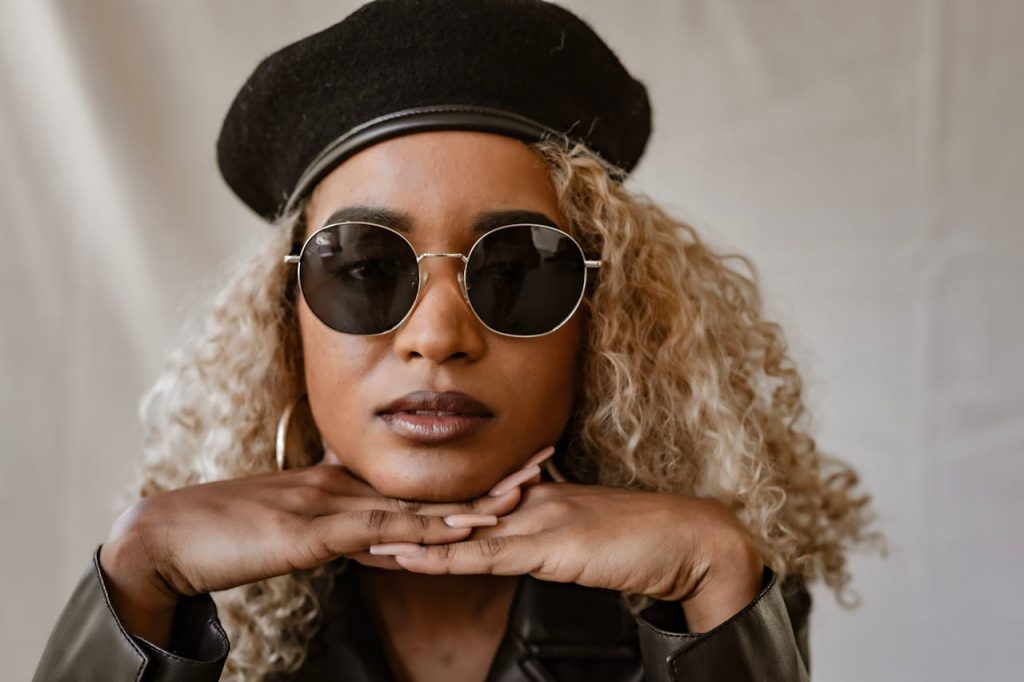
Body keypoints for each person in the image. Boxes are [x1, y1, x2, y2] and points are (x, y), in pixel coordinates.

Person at [34, 1, 878, 680]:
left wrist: (718, 581)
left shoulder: (707, 588)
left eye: (517, 267)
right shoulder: (161, 590)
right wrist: (138, 586)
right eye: (366, 267)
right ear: (284, 326)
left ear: (605, 318)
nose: (437, 337)